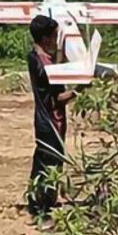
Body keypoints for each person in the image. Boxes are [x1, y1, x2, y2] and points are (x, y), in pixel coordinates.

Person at [27, 15, 80, 218]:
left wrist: (60, 49)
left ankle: (40, 202)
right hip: (51, 121)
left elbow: (55, 67)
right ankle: (41, 206)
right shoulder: (45, 68)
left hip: (44, 120)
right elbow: (59, 98)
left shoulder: (36, 57)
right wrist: (80, 90)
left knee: (43, 161)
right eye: (55, 35)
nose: (56, 38)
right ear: (46, 37)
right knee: (50, 163)